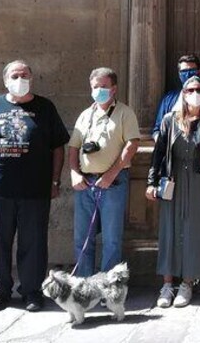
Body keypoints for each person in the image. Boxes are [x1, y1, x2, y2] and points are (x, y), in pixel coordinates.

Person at [0, 60, 70, 313]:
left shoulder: (45, 108)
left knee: (33, 243)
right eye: (15, 75)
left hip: (35, 190)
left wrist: (55, 181)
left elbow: (58, 146)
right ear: (5, 80)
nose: (20, 79)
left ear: (31, 78)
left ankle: (32, 291)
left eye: (24, 75)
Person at [147, 75, 200, 308]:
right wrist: (152, 181)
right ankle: (168, 283)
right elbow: (158, 153)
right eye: (190, 89)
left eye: (199, 89)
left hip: (199, 180)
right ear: (183, 93)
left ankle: (188, 282)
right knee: (170, 228)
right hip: (174, 178)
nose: (195, 93)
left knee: (195, 230)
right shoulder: (170, 120)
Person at [67, 67, 140, 278]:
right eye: (95, 87)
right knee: (83, 238)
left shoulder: (125, 113)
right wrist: (74, 172)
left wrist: (111, 174)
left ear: (114, 89)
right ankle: (84, 284)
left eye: (104, 86)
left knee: (112, 239)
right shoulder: (85, 115)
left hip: (113, 183)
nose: (99, 90)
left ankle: (108, 287)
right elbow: (73, 148)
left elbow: (132, 145)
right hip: (85, 183)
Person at [152, 54, 200, 141]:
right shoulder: (168, 99)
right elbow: (157, 129)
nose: (188, 75)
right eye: (184, 71)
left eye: (192, 70)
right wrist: (163, 145)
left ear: (199, 72)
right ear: (179, 74)